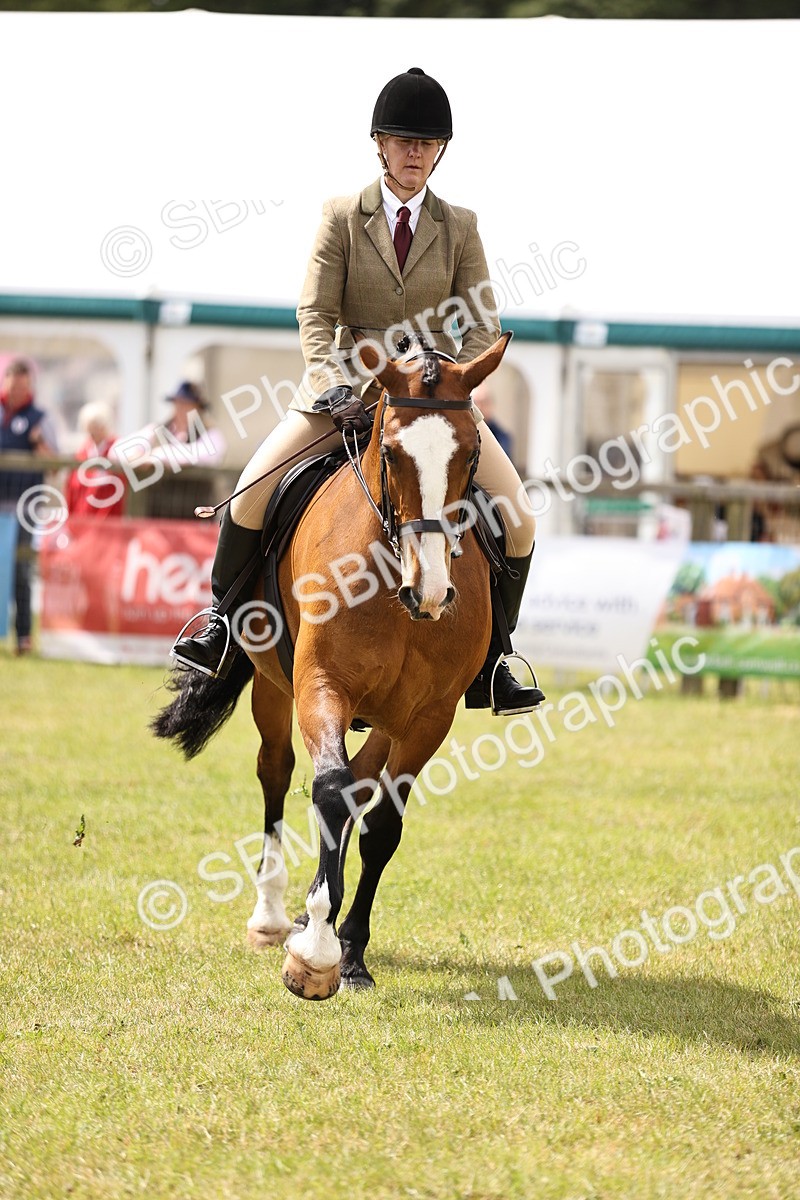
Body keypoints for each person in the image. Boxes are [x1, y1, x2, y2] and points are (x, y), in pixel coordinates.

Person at [172, 67, 544, 715]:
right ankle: (221, 627)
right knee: (249, 495)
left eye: (425, 144)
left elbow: (483, 323)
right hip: (345, 396)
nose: (414, 154)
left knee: (519, 515)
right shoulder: (343, 217)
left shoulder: (461, 226)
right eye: (403, 141)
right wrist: (333, 385)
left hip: (432, 405)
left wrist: (451, 385)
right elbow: (316, 314)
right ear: (380, 144)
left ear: (440, 151)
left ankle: (495, 659)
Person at [0, 358, 58, 655]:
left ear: (29, 387)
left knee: (21, 569)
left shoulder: (40, 418)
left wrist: (38, 443)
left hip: (23, 509)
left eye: (23, 387)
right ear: (5, 383)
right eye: (13, 386)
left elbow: (55, 464)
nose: (17, 392)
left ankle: (23, 636)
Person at [120, 380, 227, 519]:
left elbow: (206, 455)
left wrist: (156, 457)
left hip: (194, 514)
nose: (182, 409)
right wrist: (136, 455)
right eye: (179, 403)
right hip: (158, 512)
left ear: (198, 408)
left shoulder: (210, 433)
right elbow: (121, 449)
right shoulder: (158, 430)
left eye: (188, 405)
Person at [65, 400, 125, 518]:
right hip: (83, 514)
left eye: (97, 427)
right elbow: (72, 486)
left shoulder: (116, 449)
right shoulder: (82, 452)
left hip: (108, 514)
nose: (93, 432)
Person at [472, 381, 514, 459]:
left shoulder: (501, 437)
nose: (479, 408)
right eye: (476, 403)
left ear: (491, 404)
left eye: (483, 403)